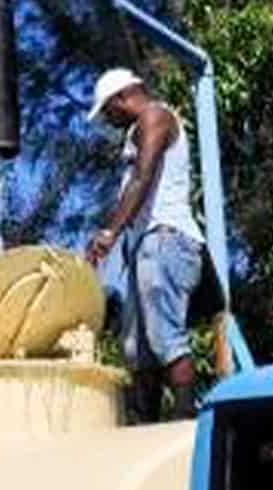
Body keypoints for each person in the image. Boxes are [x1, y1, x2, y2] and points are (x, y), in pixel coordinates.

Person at [84, 68, 205, 422]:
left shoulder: (155, 117)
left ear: (122, 98)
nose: (109, 120)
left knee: (165, 335)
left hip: (166, 239)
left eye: (108, 111)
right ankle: (146, 422)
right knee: (136, 346)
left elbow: (144, 177)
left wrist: (111, 233)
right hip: (144, 245)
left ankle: (186, 417)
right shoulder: (138, 130)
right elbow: (132, 188)